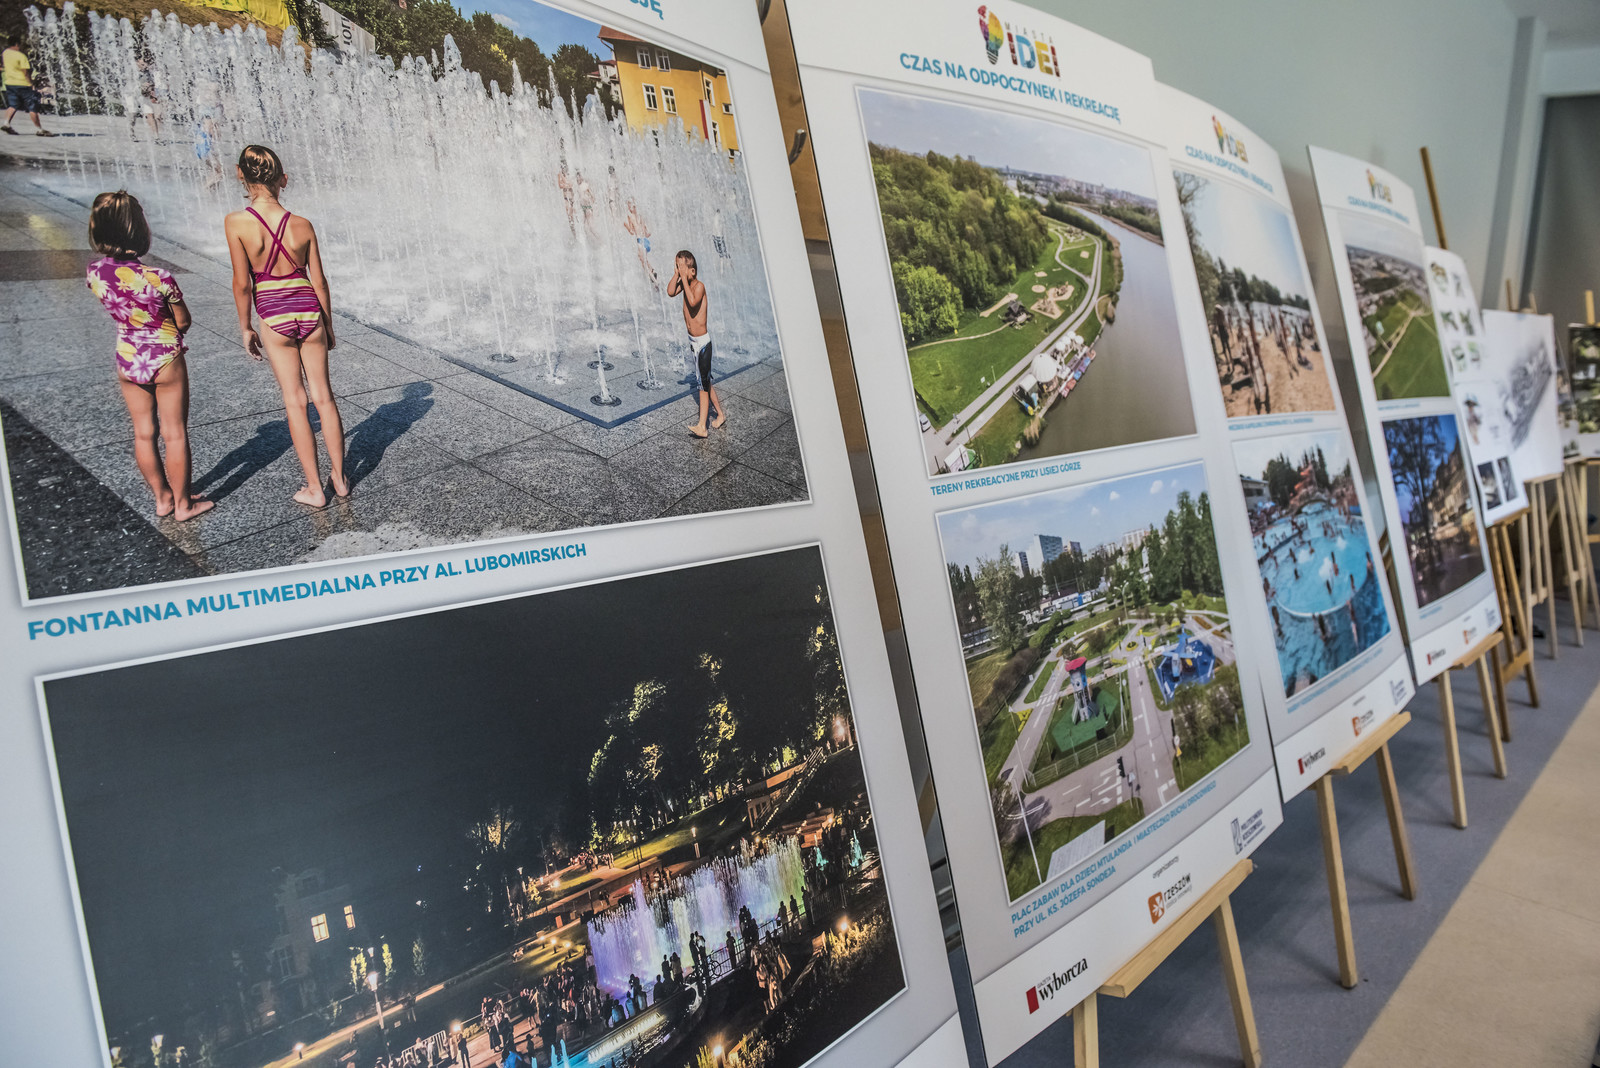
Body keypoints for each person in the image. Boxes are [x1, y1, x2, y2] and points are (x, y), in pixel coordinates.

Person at [225, 144, 350, 507]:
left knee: (296, 402)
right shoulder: (302, 224)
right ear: (283, 179)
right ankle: (340, 478)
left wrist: (246, 326)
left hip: (274, 315)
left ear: (240, 174)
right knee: (324, 397)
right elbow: (320, 281)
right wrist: (328, 325)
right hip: (310, 311)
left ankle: (315, 488)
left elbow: (242, 283)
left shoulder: (236, 223)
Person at [84, 191, 214, 523]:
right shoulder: (159, 278)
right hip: (165, 358)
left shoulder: (94, 272)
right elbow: (183, 321)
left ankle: (162, 499)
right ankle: (184, 505)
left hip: (128, 357)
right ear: (139, 230)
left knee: (143, 432)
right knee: (174, 433)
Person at [668, 250, 724, 438]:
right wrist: (677, 275)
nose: (680, 270)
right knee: (705, 380)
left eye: (682, 267)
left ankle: (702, 426)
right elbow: (670, 292)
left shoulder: (699, 287)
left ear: (692, 271)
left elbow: (692, 303)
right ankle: (720, 414)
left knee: (702, 385)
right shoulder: (685, 284)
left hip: (703, 344)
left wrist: (684, 278)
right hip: (693, 343)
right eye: (677, 266)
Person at [2, 35, 53, 136]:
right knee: (33, 107)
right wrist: (30, 83)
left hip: (10, 83)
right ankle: (39, 129)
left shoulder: (5, 53)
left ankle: (6, 123)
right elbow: (25, 72)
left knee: (13, 105)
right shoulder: (21, 56)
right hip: (23, 84)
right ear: (17, 44)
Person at [622, 199, 657, 286]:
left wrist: (625, 225)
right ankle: (653, 271)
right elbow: (647, 233)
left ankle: (656, 283)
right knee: (643, 259)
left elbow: (631, 232)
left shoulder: (630, 217)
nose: (628, 208)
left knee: (643, 263)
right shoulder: (640, 216)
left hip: (640, 241)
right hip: (646, 241)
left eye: (629, 206)